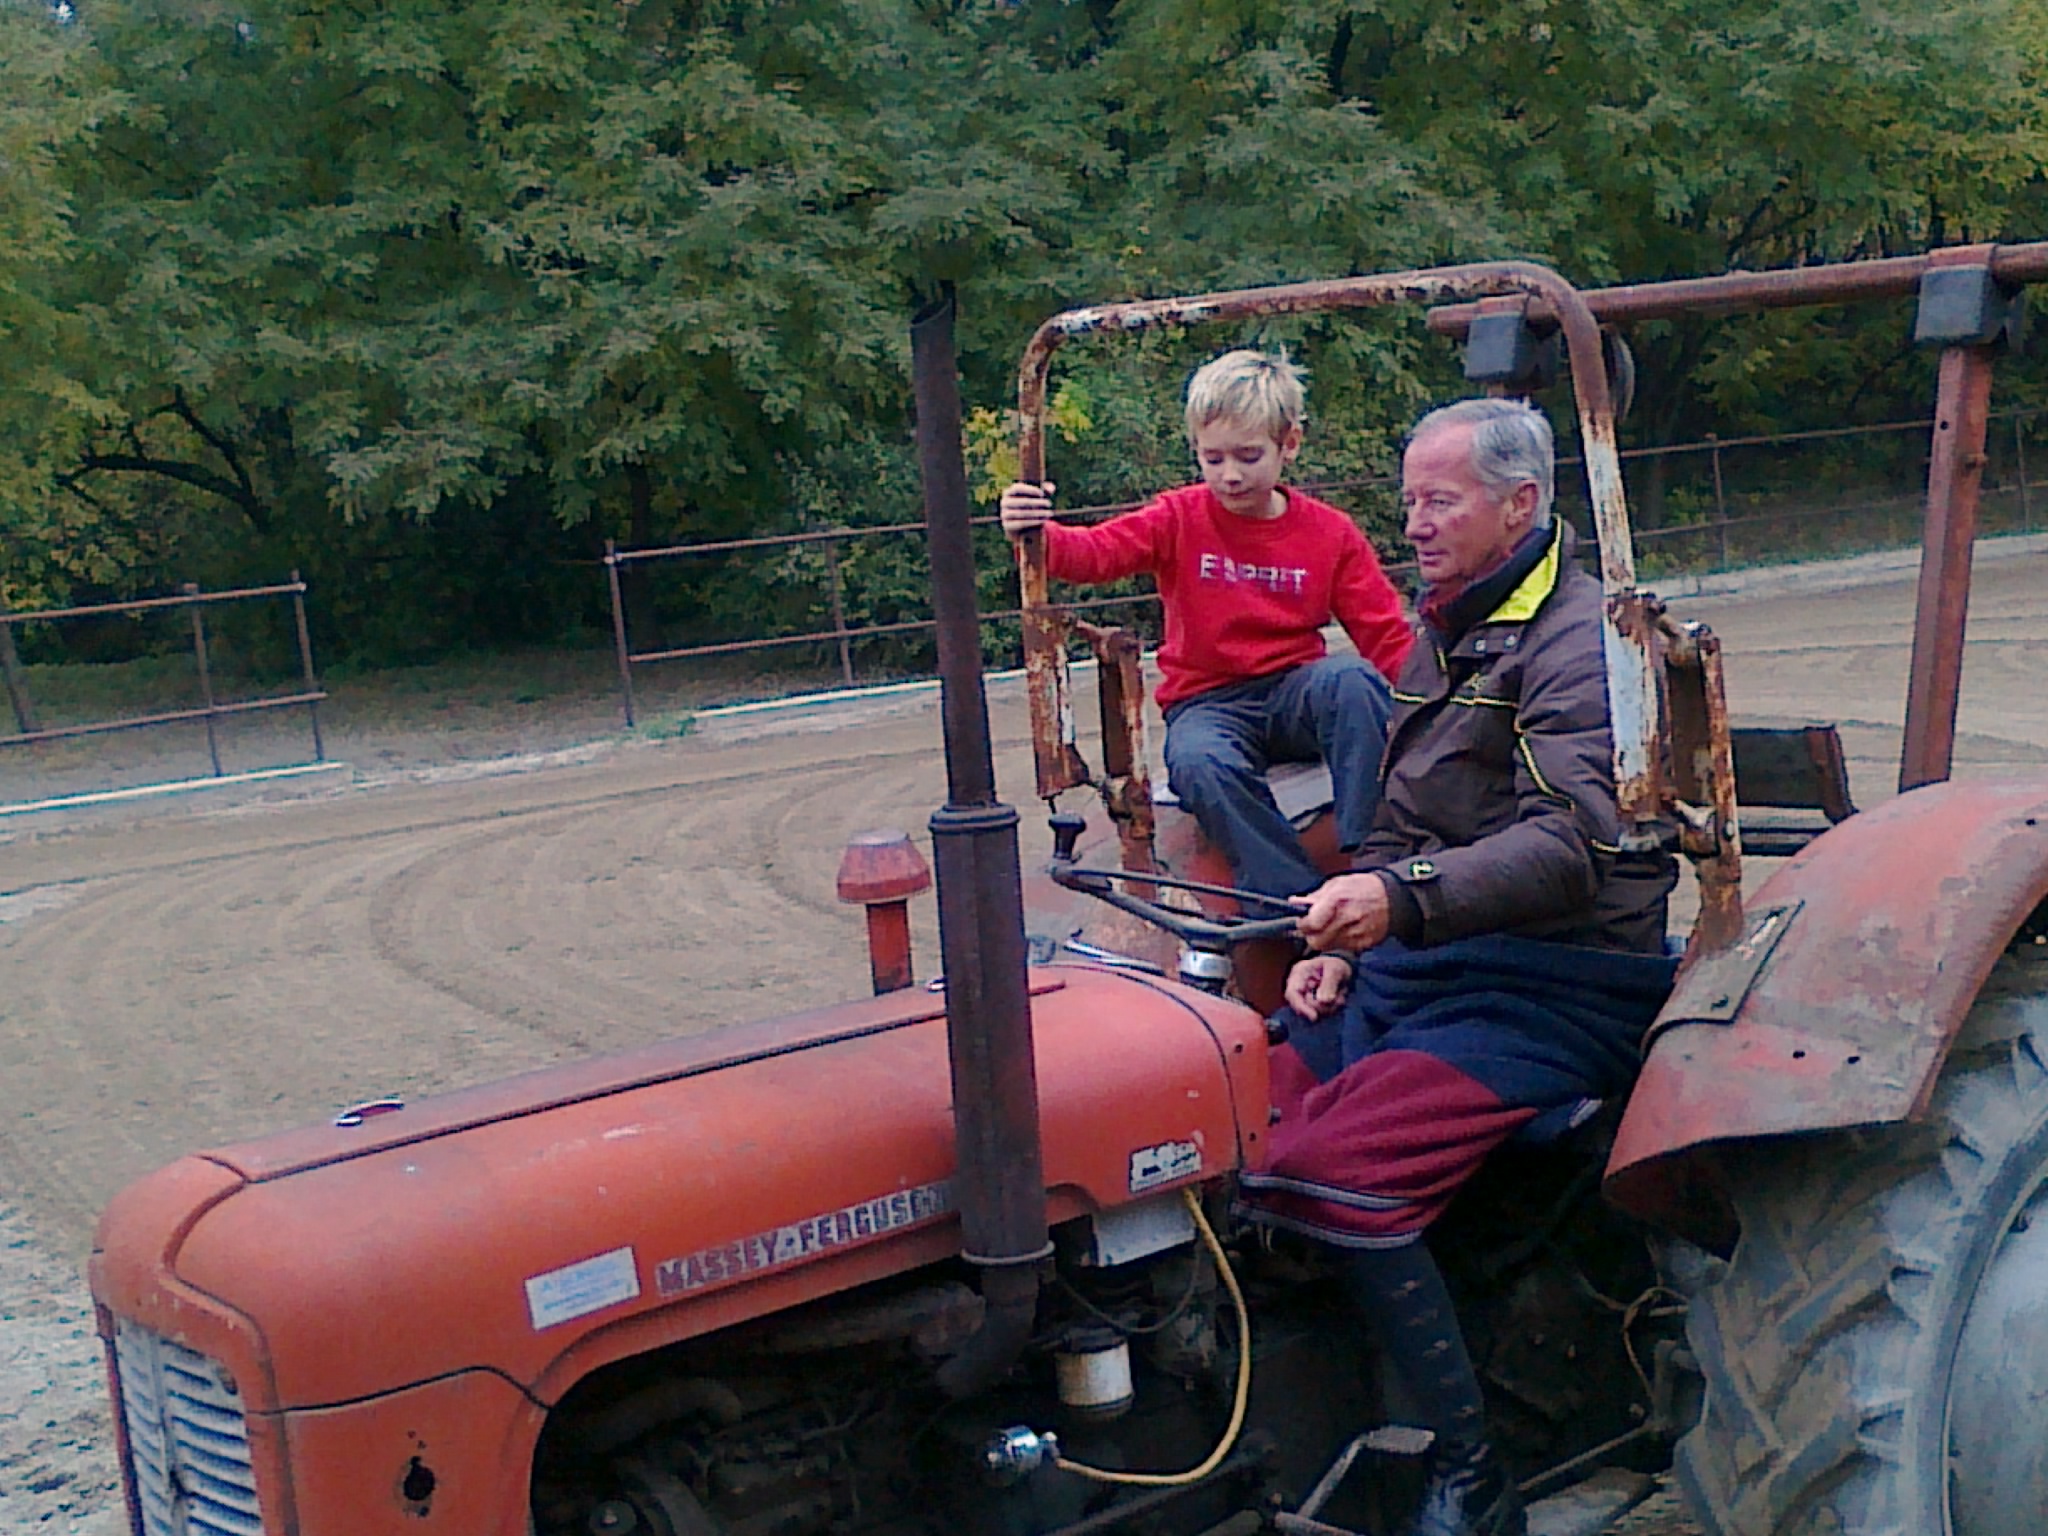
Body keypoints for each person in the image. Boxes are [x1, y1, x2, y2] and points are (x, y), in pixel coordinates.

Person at [1235, 398, 1680, 1536]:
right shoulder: (1446, 627)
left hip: (1549, 984)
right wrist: (1344, 944)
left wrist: (1397, 902)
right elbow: (1400, 814)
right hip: (1426, 970)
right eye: (1408, 502)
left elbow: (1573, 843)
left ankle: (1471, 1470)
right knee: (1230, 1125)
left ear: (1519, 505)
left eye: (1438, 501)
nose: (1414, 524)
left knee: (1333, 1169)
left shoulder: (1583, 640)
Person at [999, 350, 1412, 901]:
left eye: (1248, 456)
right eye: (1212, 458)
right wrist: (1034, 532)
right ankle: (1286, 897)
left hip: (1296, 691)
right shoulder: (1179, 517)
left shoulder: (1330, 534)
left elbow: (1385, 634)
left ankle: (1376, 859)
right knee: (1198, 761)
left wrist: (1439, 705)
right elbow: (1093, 553)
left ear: (1289, 444)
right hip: (1208, 701)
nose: (1230, 475)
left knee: (1354, 681)